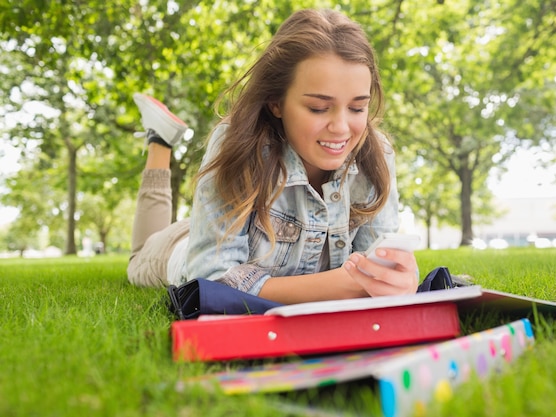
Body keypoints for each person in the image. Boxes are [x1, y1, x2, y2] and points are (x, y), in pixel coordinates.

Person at [127, 8, 419, 304]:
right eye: (318, 108)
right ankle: (160, 141)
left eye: (357, 108)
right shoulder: (239, 143)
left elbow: (377, 268)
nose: (342, 128)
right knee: (138, 255)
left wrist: (397, 278)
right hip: (179, 250)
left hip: (223, 229)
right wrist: (345, 285)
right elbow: (213, 280)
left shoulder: (376, 153)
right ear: (276, 103)